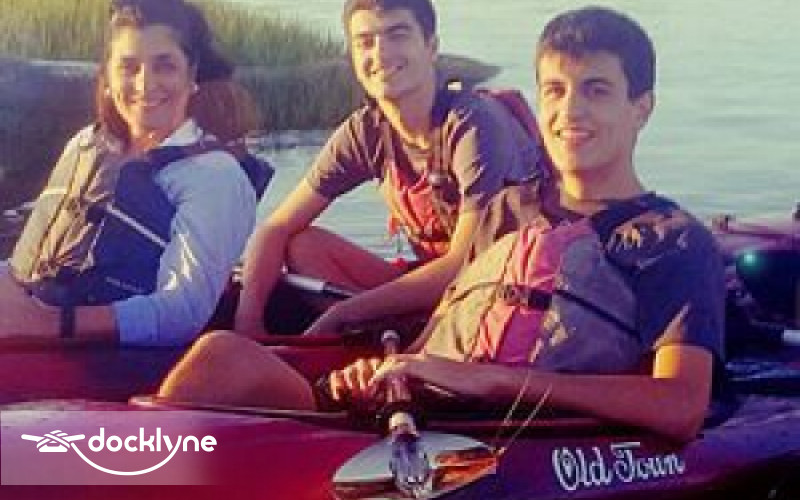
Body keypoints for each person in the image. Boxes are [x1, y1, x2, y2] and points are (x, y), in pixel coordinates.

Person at [158, 6, 724, 442]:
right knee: (220, 357)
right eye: (555, 90)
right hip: (415, 411)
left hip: (492, 435)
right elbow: (440, 333)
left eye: (595, 90)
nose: (569, 111)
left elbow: (680, 406)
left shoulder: (672, 241)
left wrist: (497, 381)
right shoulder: (509, 211)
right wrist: (387, 372)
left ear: (641, 107)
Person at [234, 0, 543, 336]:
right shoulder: (365, 131)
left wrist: (346, 312)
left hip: (496, 291)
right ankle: (384, 337)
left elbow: (464, 264)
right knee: (302, 245)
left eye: (397, 34)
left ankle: (389, 338)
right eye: (365, 42)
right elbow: (276, 227)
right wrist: (248, 323)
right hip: (428, 291)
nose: (380, 53)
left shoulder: (473, 125)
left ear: (431, 47)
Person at [0, 0, 267, 345]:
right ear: (108, 77)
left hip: (120, 362)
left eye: (164, 66)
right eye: (128, 67)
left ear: (192, 74)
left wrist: (48, 323)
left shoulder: (215, 177)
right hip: (33, 335)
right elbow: (25, 264)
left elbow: (180, 314)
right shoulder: (86, 144)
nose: (145, 84)